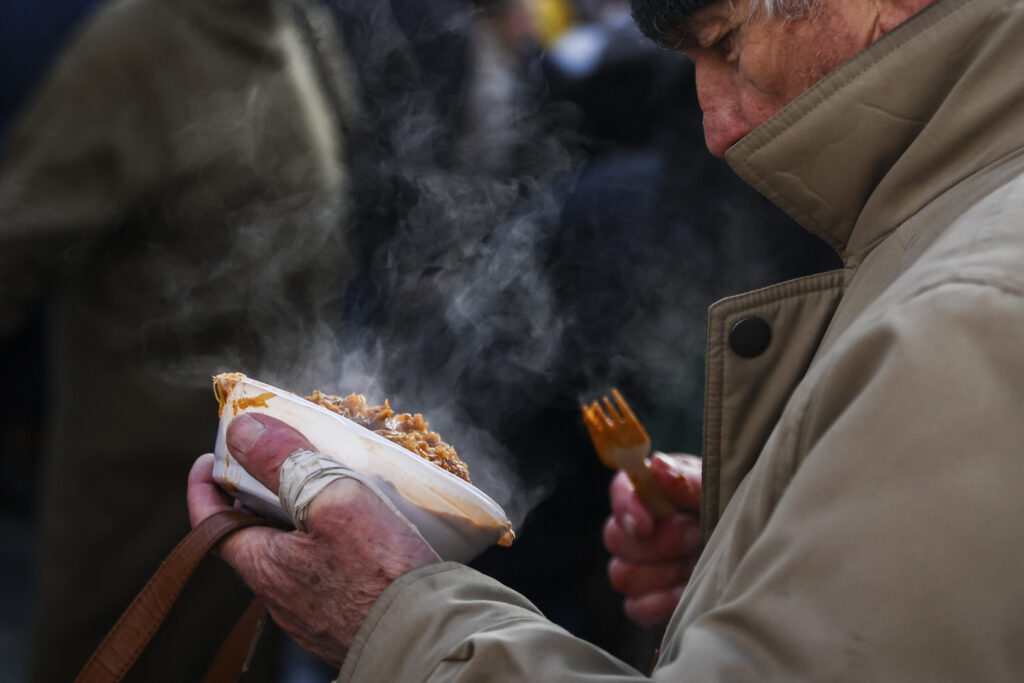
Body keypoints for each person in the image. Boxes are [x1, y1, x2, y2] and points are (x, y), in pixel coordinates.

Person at [188, 0, 1024, 679]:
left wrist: (398, 624)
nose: (717, 126)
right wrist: (769, 541)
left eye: (726, 42)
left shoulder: (968, 314)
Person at [0, 0, 360, 679]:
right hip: (142, 495)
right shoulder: (138, 41)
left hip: (260, 482)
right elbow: (15, 243)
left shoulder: (296, 21)